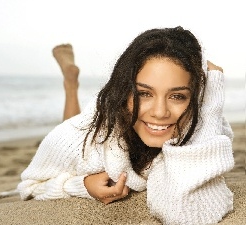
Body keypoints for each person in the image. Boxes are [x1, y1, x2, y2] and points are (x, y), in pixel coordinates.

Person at [17, 27, 234, 224]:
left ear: (197, 99)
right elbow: (30, 187)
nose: (160, 112)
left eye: (177, 96)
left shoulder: (206, 126)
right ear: (124, 92)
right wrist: (82, 185)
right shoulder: (85, 140)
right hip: (93, 128)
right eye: (143, 93)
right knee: (71, 128)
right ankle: (70, 83)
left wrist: (213, 93)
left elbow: (188, 213)